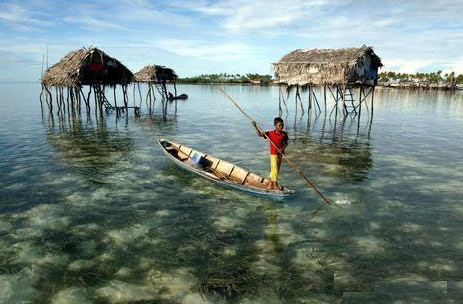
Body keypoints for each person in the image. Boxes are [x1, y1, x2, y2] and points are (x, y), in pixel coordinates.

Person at [252, 117, 289, 190]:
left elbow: (286, 143)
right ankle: (275, 184)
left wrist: (282, 149)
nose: (281, 127)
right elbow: (260, 134)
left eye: (282, 125)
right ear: (275, 126)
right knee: (274, 168)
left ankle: (270, 182)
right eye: (280, 125)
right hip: (273, 154)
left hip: (280, 154)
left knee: (276, 170)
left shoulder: (284, 134)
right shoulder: (270, 133)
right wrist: (255, 126)